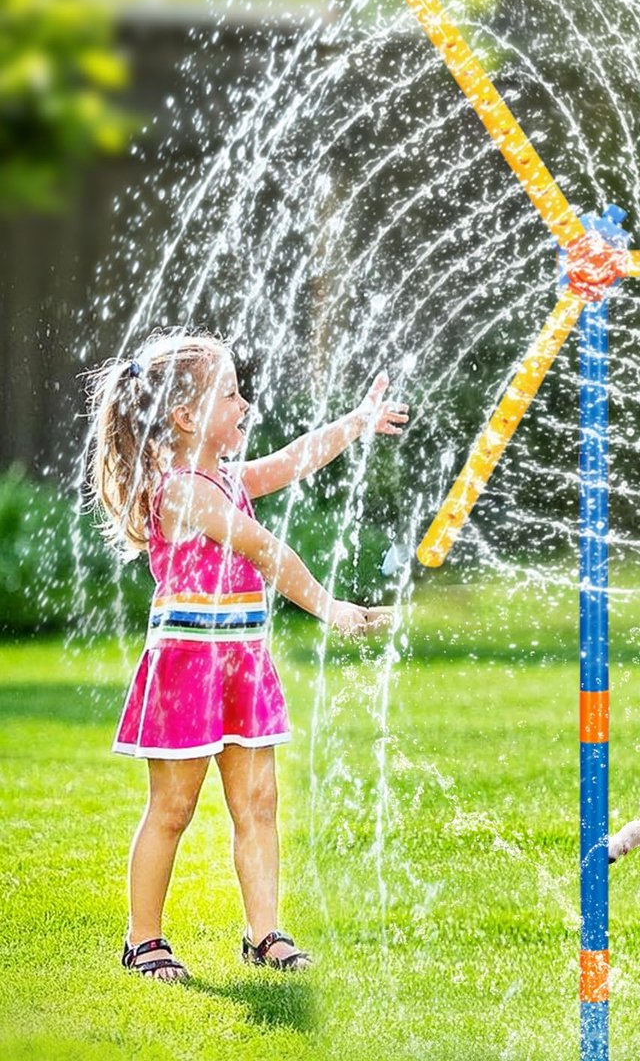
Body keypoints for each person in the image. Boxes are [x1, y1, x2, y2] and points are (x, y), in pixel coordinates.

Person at [86, 329, 408, 981]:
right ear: (185, 418)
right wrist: (330, 607)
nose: (244, 406)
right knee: (172, 810)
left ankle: (265, 933)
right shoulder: (181, 491)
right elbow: (264, 550)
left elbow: (293, 460)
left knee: (257, 803)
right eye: (230, 395)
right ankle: (143, 939)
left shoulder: (225, 478)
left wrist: (356, 423)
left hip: (240, 662)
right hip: (187, 667)